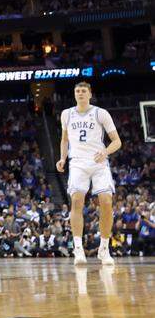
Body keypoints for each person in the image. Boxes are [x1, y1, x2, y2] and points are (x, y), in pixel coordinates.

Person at [56, 81, 121, 265]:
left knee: (107, 202)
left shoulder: (101, 113)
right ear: (74, 94)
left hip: (98, 162)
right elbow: (64, 140)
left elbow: (117, 141)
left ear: (90, 94)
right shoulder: (66, 114)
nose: (80, 93)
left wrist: (105, 151)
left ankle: (104, 248)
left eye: (84, 91)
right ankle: (78, 250)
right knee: (76, 200)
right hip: (77, 162)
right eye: (77, 91)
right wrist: (62, 159)